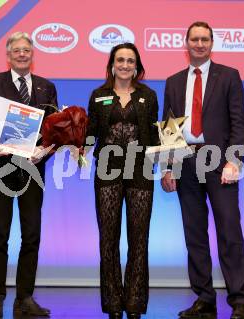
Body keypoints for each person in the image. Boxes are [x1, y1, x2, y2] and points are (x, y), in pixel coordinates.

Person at [161, 21, 244, 319]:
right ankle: (204, 298)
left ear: (212, 43)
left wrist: (234, 161)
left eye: (205, 39)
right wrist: (168, 168)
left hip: (219, 162)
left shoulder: (229, 76)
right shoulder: (173, 81)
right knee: (194, 234)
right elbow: (169, 130)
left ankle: (238, 301)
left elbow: (239, 123)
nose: (199, 44)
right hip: (186, 163)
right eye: (194, 39)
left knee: (229, 231)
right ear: (186, 44)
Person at [0, 32, 57, 318]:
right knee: (0, 235)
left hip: (33, 171)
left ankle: (25, 298)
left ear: (33, 55)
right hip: (1, 169)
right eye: (17, 50)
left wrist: (42, 152)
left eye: (27, 51)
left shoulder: (47, 87)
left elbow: (53, 133)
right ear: (8, 55)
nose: (22, 54)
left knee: (31, 235)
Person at [87, 43, 159, 319]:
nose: (125, 65)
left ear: (137, 66)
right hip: (107, 170)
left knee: (139, 240)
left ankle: (135, 304)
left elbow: (154, 137)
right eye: (121, 60)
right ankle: (114, 304)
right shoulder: (98, 95)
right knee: (108, 240)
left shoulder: (148, 96)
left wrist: (168, 158)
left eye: (131, 60)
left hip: (140, 170)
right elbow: (90, 134)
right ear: (112, 64)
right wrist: (74, 140)